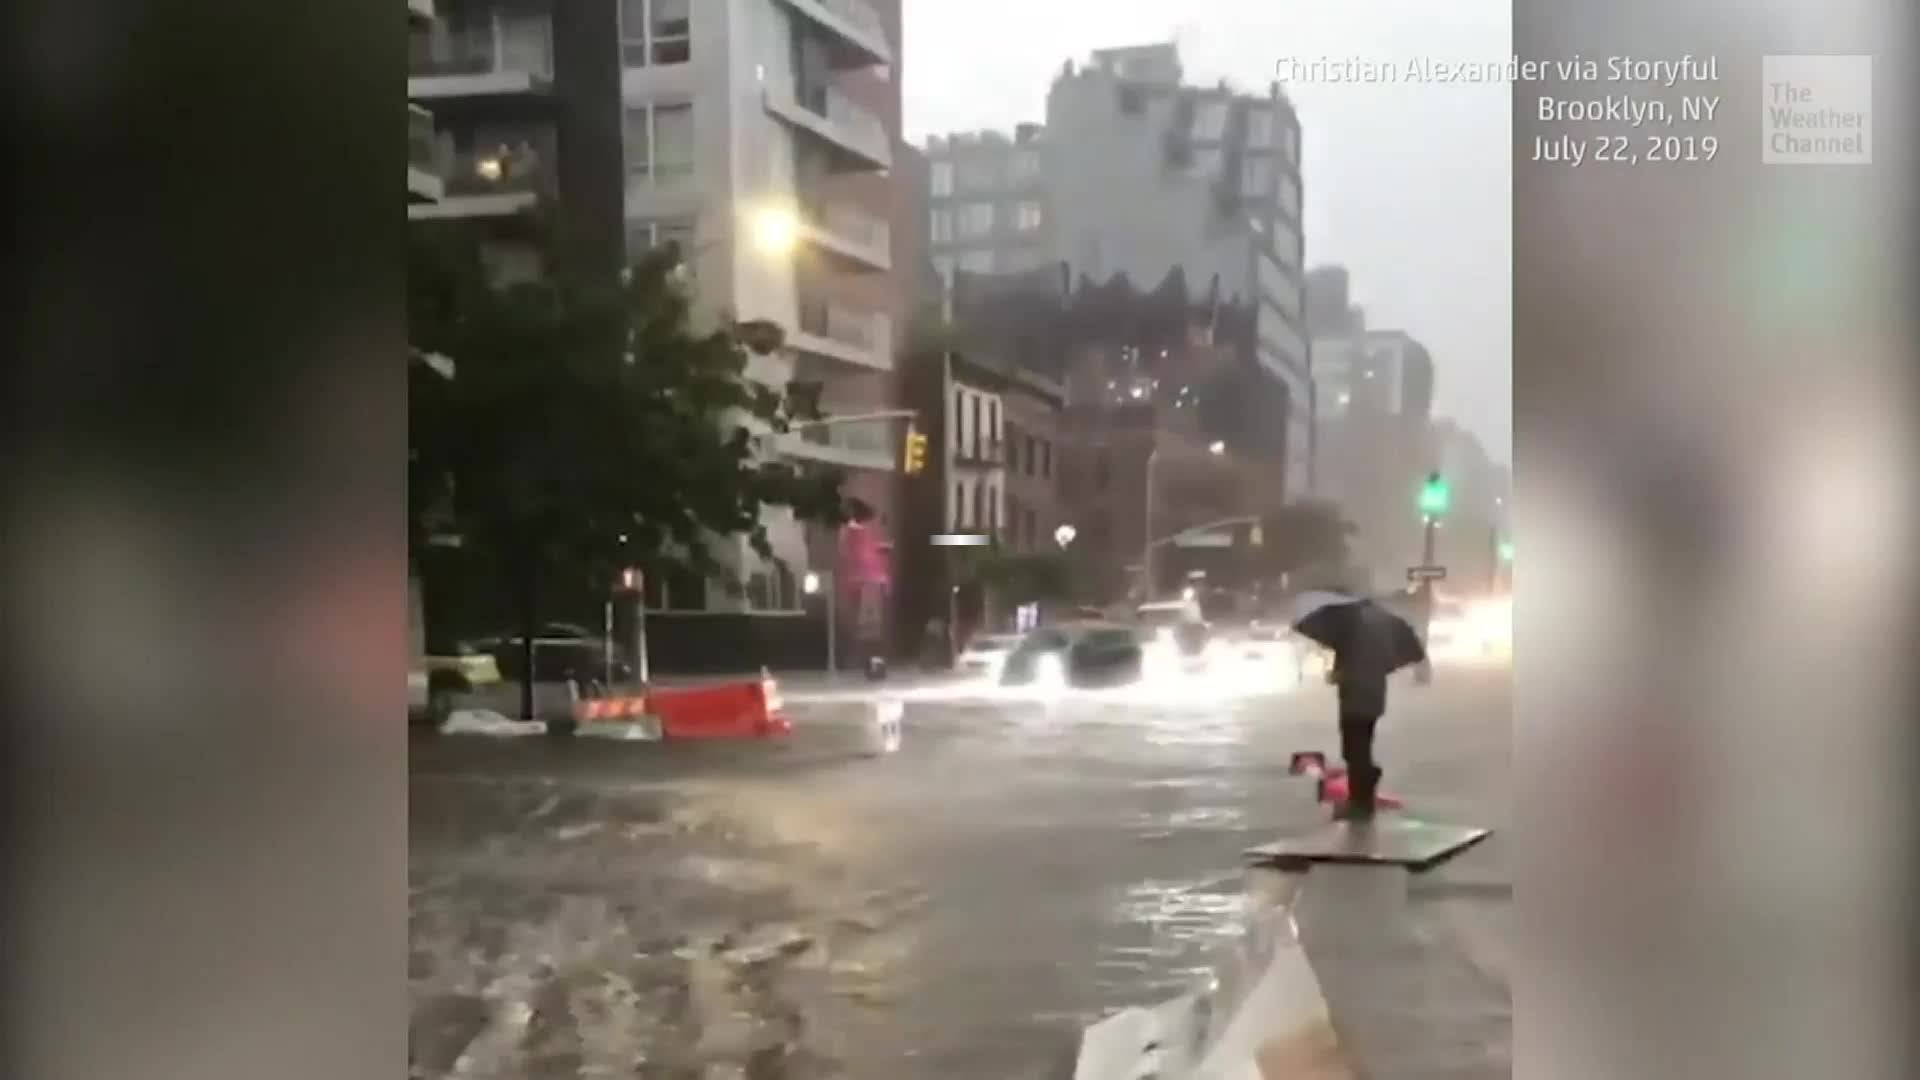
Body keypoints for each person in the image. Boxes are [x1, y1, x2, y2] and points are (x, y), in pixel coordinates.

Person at [1328, 600, 1401, 822]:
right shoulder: (1380, 636)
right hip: (1374, 699)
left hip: (1353, 701)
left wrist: (1337, 675)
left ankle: (1361, 797)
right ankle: (1364, 789)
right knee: (1362, 747)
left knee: (1354, 751)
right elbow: (1390, 664)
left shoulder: (1347, 636)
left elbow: (1343, 672)